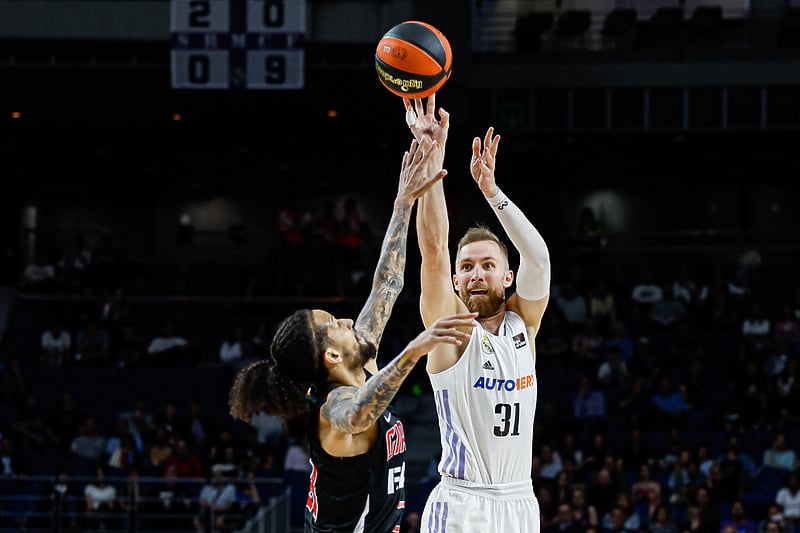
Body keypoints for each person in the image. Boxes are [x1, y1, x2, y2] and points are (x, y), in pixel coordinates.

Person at [227, 135, 474, 533]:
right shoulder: (332, 408)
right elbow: (358, 414)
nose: (346, 321)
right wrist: (415, 349)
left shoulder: (362, 358)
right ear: (331, 357)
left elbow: (388, 283)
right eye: (334, 326)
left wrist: (403, 201)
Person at [406, 94, 551, 532]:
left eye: (488, 266)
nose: (475, 274)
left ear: (508, 278)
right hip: (463, 503)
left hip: (520, 501)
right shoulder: (451, 331)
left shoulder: (522, 325)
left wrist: (492, 190)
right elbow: (433, 251)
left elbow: (539, 259)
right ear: (455, 282)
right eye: (466, 267)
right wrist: (433, 156)